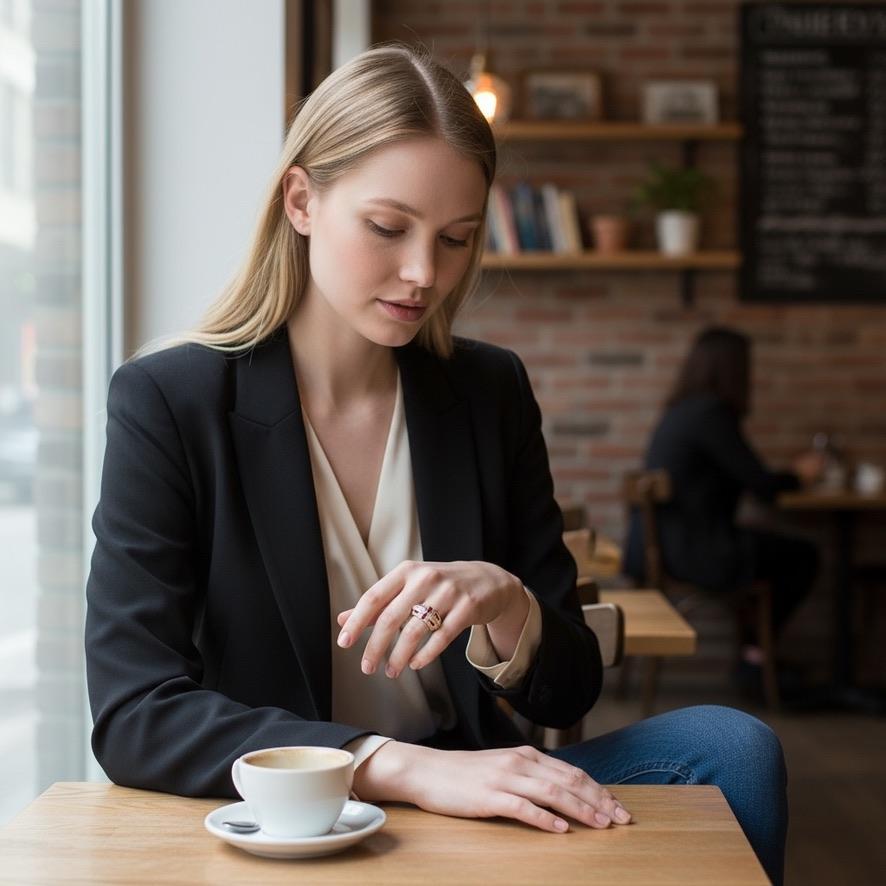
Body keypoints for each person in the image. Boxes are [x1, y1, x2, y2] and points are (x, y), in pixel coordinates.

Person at [85, 46, 788, 884]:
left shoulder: (489, 390)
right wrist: (398, 765)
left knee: (731, 746)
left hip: (473, 790)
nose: (424, 274)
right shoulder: (171, 400)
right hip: (299, 818)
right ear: (302, 200)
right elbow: (134, 711)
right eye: (388, 228)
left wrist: (511, 609)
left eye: (456, 239)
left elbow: (565, 694)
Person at [624, 326, 822, 685]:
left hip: (661, 548)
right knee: (802, 556)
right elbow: (761, 485)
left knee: (780, 555)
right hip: (696, 552)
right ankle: (755, 657)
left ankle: (753, 654)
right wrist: (801, 474)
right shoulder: (711, 414)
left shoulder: (681, 411)